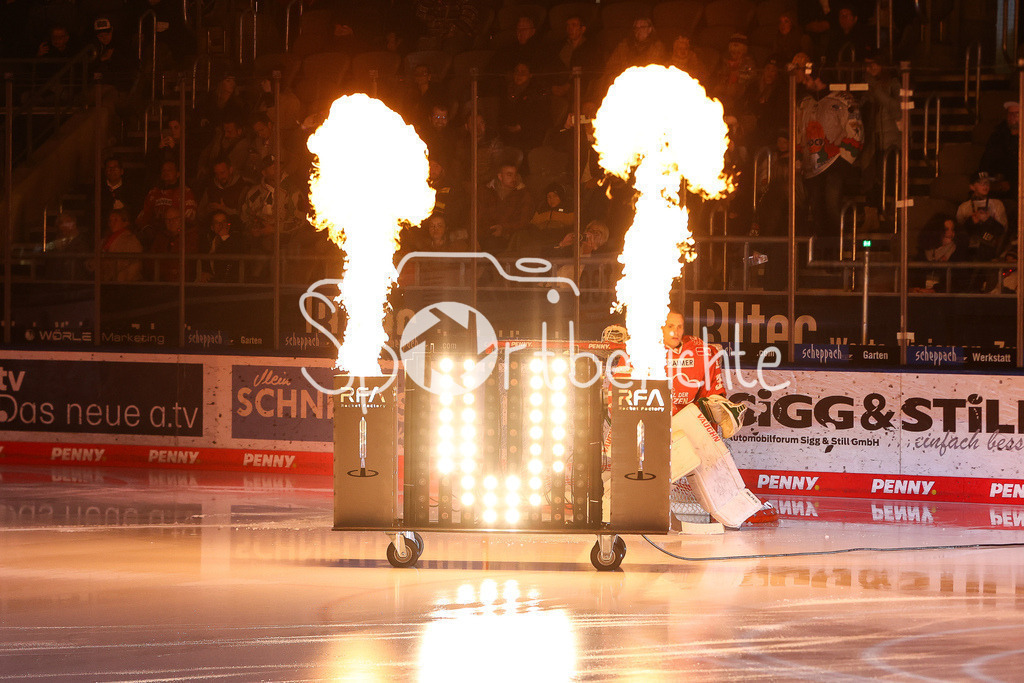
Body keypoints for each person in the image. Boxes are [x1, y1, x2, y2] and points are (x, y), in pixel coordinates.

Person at [100, 208, 143, 282]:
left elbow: (124, 264)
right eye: (110, 221)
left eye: (116, 220)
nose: (112, 223)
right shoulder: (105, 239)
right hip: (107, 281)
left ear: (125, 222)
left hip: (124, 283)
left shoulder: (131, 240)